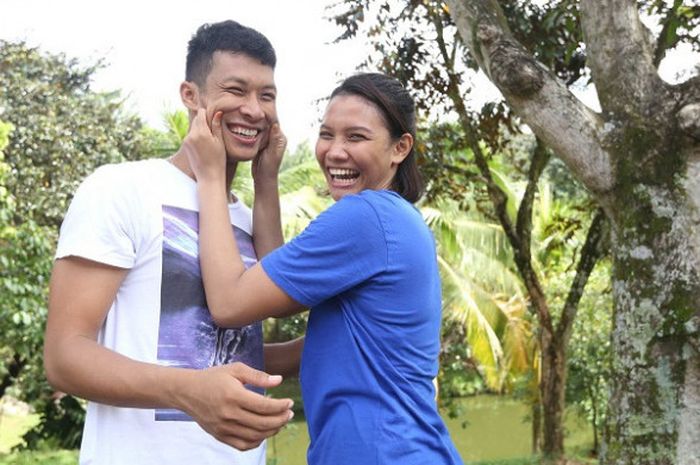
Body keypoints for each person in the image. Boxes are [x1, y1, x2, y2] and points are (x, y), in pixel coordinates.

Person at [43, 20, 302, 465]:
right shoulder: (120, 189)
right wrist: (186, 390)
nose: (254, 110)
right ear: (191, 95)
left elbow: (227, 354)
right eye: (236, 90)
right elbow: (65, 356)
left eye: (267, 95)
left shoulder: (246, 217)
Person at [187, 72, 464, 464]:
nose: (334, 152)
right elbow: (279, 297)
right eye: (327, 134)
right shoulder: (396, 220)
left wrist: (211, 175)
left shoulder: (365, 216)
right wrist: (265, 179)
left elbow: (231, 302)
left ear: (400, 148)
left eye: (356, 137)